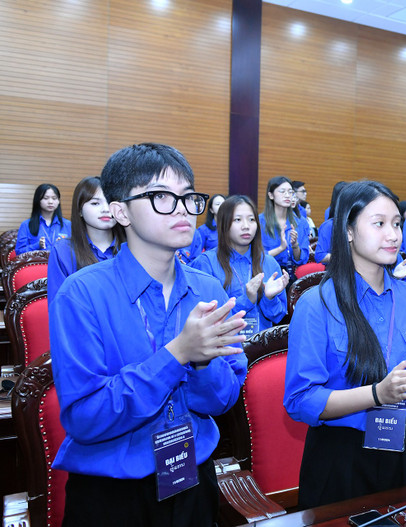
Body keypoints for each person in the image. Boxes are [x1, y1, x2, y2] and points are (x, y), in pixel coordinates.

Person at [49, 143, 247, 526]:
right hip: (111, 494)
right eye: (161, 197)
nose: (183, 210)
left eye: (189, 198)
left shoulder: (209, 291)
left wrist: (203, 361)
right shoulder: (81, 293)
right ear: (120, 210)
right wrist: (177, 354)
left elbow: (223, 401)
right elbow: (85, 418)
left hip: (192, 478)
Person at [284, 180, 406, 509]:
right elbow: (301, 399)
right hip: (340, 455)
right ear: (347, 230)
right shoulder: (317, 304)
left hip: (402, 447)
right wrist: (377, 394)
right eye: (379, 224)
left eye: (397, 224)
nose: (393, 234)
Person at [191, 195, 288, 336]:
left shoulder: (269, 263)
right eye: (237, 220)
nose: (246, 226)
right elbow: (206, 319)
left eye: (251, 219)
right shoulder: (206, 263)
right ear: (224, 223)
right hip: (221, 349)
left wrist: (269, 298)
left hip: (261, 349)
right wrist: (246, 300)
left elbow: (278, 316)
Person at [48, 177, 124, 300]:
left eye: (110, 202)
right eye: (95, 203)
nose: (106, 209)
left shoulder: (133, 247)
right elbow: (59, 306)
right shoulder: (63, 251)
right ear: (80, 210)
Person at [258, 176, 309, 281]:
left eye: (290, 192)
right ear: (271, 195)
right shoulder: (259, 222)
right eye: (282, 191)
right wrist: (280, 248)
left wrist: (295, 246)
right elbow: (255, 257)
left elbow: (302, 259)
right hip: (266, 275)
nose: (287, 195)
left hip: (291, 276)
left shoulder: (301, 222)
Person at [15, 183, 71, 254]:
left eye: (54, 198)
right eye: (45, 198)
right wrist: (37, 245)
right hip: (37, 264)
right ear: (38, 200)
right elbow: (19, 252)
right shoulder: (26, 225)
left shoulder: (68, 225)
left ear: (58, 201)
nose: (50, 202)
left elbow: (76, 251)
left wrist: (64, 246)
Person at [315, 181, 347, 264]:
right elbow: (320, 256)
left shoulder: (358, 223)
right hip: (338, 272)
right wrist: (347, 258)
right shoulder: (329, 225)